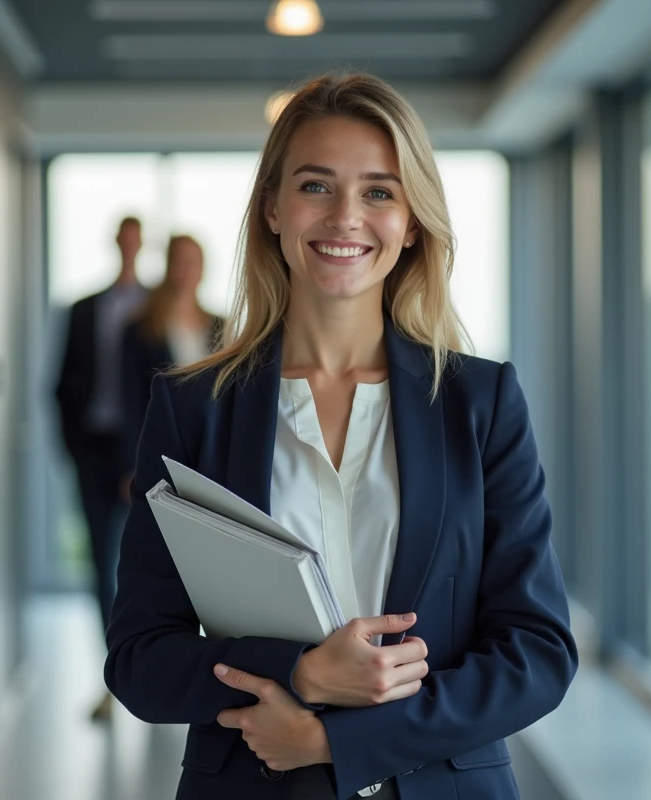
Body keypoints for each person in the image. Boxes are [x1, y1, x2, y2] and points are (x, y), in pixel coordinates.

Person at [104, 73, 578, 799]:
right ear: (272, 207)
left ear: (413, 221)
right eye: (316, 186)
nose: (345, 216)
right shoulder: (193, 407)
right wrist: (299, 670)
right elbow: (140, 660)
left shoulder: (480, 403)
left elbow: (537, 653)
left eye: (380, 192)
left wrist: (337, 741)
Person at [53, 215, 148, 720]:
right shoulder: (84, 309)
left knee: (148, 568)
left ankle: (150, 676)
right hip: (94, 449)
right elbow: (62, 384)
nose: (129, 245)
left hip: (145, 453)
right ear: (116, 242)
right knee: (99, 566)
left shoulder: (156, 309)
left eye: (136, 238)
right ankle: (110, 679)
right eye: (123, 237)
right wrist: (73, 450)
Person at [120, 234, 223, 476]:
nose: (187, 270)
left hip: (207, 448)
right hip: (158, 444)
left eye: (193, 262)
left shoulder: (220, 327)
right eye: (180, 262)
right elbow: (131, 402)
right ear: (168, 267)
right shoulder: (141, 330)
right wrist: (130, 465)